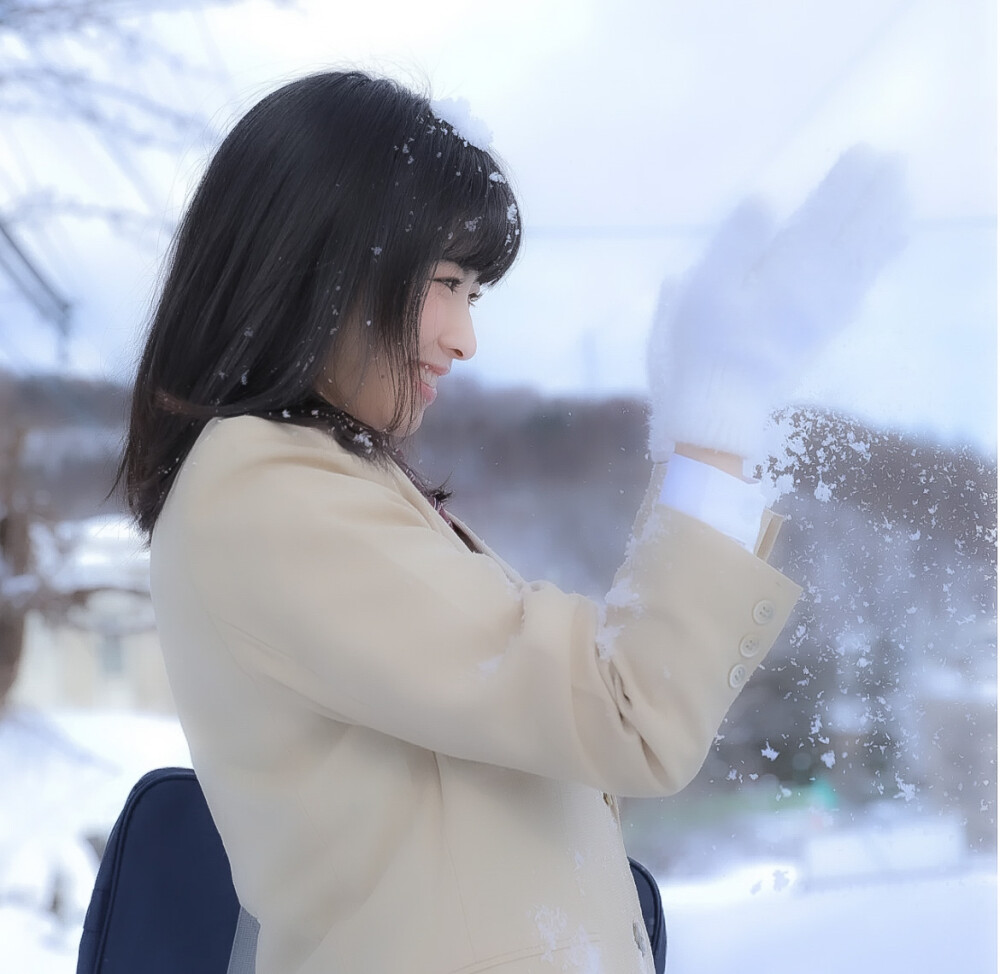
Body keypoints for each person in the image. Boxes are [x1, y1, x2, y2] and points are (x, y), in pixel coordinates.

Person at [118, 71, 905, 973]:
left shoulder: (316, 488)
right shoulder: (265, 497)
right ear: (321, 262)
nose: (463, 337)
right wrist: (715, 419)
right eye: (444, 281)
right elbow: (627, 710)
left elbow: (568, 714)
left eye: (474, 295)